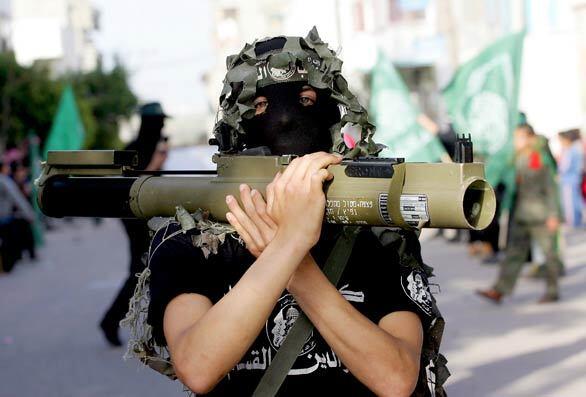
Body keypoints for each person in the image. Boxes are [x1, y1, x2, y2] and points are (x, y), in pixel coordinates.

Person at [124, 29, 448, 396]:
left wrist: (296, 263)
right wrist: (289, 244)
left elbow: (396, 378)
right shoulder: (195, 236)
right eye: (260, 107)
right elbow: (197, 367)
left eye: (307, 100)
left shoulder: (376, 232)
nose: (284, 121)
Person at [99, 102, 169, 346]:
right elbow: (132, 186)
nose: (162, 126)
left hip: (149, 216)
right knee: (139, 272)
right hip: (133, 217)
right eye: (159, 121)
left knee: (153, 268)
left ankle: (157, 328)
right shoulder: (135, 149)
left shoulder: (153, 146)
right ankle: (110, 321)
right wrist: (156, 165)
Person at [477, 124, 563, 304]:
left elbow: (551, 188)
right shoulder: (516, 157)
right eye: (516, 138)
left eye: (521, 137)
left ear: (531, 138)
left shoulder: (539, 158)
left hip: (541, 214)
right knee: (514, 253)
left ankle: (552, 291)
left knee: (549, 254)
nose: (517, 142)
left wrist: (554, 215)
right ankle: (499, 290)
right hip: (520, 213)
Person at [558, 129, 583, 228]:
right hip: (574, 179)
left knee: (571, 203)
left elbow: (564, 167)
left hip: (569, 181)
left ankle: (574, 223)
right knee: (576, 201)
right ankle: (576, 221)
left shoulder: (570, 150)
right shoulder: (576, 149)